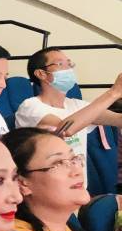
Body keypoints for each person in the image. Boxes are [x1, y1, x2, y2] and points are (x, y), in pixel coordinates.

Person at [16, 47, 122, 182]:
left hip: (79, 186)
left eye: (70, 64)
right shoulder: (30, 106)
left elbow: (118, 119)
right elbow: (65, 130)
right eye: (61, 64)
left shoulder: (77, 105)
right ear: (41, 74)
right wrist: (113, 93)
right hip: (50, 187)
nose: (69, 69)